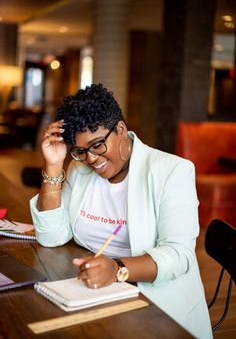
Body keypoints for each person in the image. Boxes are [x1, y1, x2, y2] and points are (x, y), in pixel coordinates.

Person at [30, 83, 213, 339]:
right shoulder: (79, 169)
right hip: (94, 294)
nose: (91, 158)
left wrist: (117, 269)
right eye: (80, 151)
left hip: (157, 306)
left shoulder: (171, 171)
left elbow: (179, 255)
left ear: (121, 129)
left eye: (97, 145)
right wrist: (53, 165)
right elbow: (51, 237)